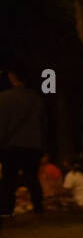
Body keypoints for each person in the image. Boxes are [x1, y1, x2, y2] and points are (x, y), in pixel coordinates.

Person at [0, 62, 47, 217]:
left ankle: (6, 209)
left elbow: (3, 124)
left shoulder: (5, 98)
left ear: (12, 77)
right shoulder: (37, 99)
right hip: (32, 144)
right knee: (32, 177)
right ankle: (38, 207)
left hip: (11, 145)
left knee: (8, 179)